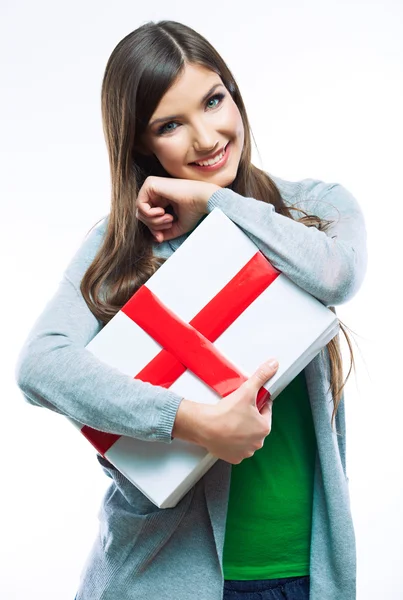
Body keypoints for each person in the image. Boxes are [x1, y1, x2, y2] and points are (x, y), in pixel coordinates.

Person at [15, 20, 367, 600]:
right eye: (171, 125)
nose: (206, 138)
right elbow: (41, 366)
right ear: (141, 145)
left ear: (234, 92)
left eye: (213, 101)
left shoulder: (314, 209)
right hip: (160, 579)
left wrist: (212, 202)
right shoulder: (126, 243)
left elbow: (339, 274)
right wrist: (191, 421)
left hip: (305, 574)